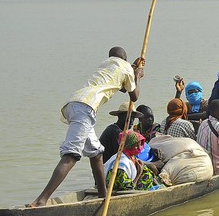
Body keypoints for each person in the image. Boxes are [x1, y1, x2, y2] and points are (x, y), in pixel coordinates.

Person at [31, 46, 143, 207]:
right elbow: (134, 95)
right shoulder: (125, 68)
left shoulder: (106, 64)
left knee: (96, 154)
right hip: (85, 107)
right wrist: (137, 75)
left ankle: (103, 196)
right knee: (71, 155)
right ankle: (41, 200)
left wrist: (133, 70)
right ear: (124, 60)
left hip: (74, 104)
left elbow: (123, 87)